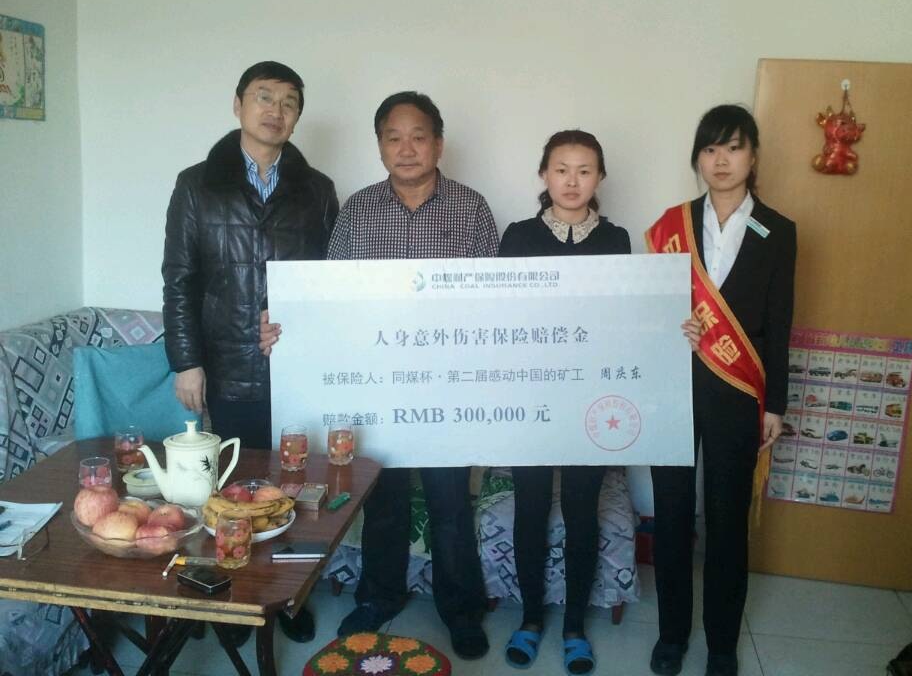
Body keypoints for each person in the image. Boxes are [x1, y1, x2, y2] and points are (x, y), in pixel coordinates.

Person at [260, 91, 498, 660]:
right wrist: (287, 329)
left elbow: (493, 301)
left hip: (445, 388)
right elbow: (331, 299)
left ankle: (461, 609)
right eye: (394, 137)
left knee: (448, 503)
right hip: (377, 385)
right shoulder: (358, 211)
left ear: (439, 144)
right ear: (380, 146)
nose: (406, 148)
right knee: (382, 499)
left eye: (418, 136)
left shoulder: (471, 209)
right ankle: (379, 595)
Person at [161, 60, 338, 643]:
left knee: (295, 488)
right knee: (233, 490)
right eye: (264, 97)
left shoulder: (317, 189)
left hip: (296, 365)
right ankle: (235, 597)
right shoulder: (196, 184)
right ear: (238, 104)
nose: (275, 111)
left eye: (289, 102)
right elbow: (179, 278)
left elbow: (329, 281)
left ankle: (287, 598)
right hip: (228, 363)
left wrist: (306, 327)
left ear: (297, 116)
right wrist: (186, 361)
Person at [645, 105, 796, 676]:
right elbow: (650, 311)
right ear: (698, 159)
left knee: (727, 521)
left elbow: (780, 322)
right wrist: (670, 326)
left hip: (738, 391)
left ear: (753, 156)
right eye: (710, 149)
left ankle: (722, 644)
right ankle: (671, 635)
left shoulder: (778, 231)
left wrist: (775, 404)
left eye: (733, 147)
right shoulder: (672, 225)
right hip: (674, 387)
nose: (721, 160)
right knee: (672, 513)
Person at [498, 130, 630, 675]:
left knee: (581, 509)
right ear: (544, 175)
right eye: (561, 169)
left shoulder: (617, 239)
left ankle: (574, 626)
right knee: (530, 506)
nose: (572, 181)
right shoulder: (518, 235)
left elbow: (622, 320)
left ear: (599, 178)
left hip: (590, 398)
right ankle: (531, 619)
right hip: (531, 394)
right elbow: (500, 315)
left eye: (584, 170)